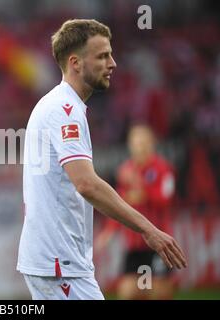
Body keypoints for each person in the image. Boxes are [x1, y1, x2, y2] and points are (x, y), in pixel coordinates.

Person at [17, 19, 187, 300]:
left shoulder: (57, 104)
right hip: (60, 262)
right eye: (102, 56)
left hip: (57, 259)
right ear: (76, 63)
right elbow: (86, 184)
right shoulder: (65, 110)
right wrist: (148, 230)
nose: (113, 63)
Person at [95, 125, 177, 299]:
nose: (138, 147)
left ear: (151, 144)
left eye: (142, 142)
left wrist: (142, 189)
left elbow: (165, 198)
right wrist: (109, 231)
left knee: (159, 293)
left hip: (159, 244)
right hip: (135, 246)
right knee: (128, 292)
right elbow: (119, 205)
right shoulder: (125, 171)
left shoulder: (163, 169)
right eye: (134, 142)